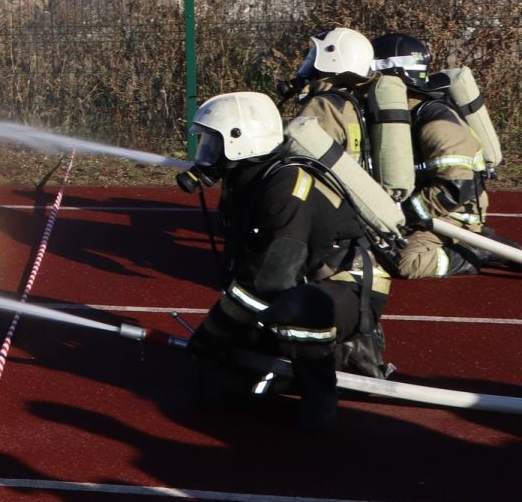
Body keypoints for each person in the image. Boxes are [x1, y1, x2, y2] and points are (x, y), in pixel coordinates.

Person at [185, 90, 390, 431]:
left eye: (212, 143)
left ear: (241, 142)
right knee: (215, 379)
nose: (206, 153)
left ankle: (323, 390)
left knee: (296, 313)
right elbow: (248, 268)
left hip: (344, 285)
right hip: (304, 283)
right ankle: (286, 372)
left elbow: (270, 278)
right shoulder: (249, 181)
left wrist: (214, 329)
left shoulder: (288, 184)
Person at [372, 32, 490, 278]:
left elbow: (456, 187)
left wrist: (404, 214)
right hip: (423, 210)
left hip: (452, 215)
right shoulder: (399, 115)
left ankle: (473, 253)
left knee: (406, 263)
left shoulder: (434, 120)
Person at [283, 26, 376, 165]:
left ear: (332, 60)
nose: (311, 65)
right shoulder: (354, 102)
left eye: (315, 57)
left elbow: (303, 158)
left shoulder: (325, 106)